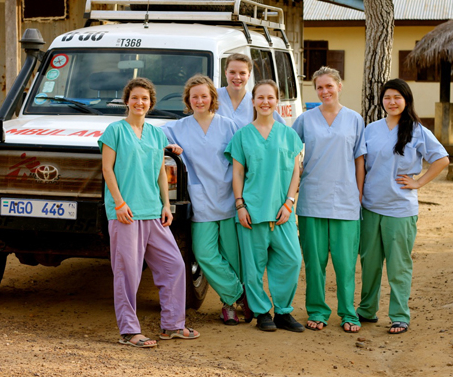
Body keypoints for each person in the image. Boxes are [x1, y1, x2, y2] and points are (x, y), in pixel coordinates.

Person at [99, 77, 200, 348]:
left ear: (150, 102)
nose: (139, 102)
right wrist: (119, 203)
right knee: (127, 273)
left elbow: (160, 172)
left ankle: (172, 325)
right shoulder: (114, 131)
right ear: (127, 100)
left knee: (174, 266)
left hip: (153, 212)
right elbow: (107, 169)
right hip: (126, 213)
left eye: (144, 98)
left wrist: (166, 205)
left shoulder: (157, 135)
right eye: (135, 97)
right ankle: (129, 331)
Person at [357, 78, 449, 334]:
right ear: (382, 101)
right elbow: (362, 164)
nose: (392, 102)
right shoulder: (371, 129)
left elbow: (442, 160)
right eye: (387, 97)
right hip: (371, 206)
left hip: (400, 209)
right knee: (370, 262)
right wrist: (359, 196)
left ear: (406, 100)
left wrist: (419, 182)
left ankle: (399, 315)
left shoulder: (418, 130)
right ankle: (366, 310)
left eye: (397, 97)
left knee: (399, 265)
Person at [161, 75, 250, 325]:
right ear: (188, 100)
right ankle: (240, 294)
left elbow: (243, 158)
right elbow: (150, 136)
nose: (199, 100)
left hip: (229, 198)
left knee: (233, 256)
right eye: (194, 96)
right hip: (201, 201)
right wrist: (169, 146)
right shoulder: (177, 128)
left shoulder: (229, 125)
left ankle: (228, 305)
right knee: (204, 254)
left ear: (212, 97)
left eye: (204, 95)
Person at [225, 79, 304, 332]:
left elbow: (295, 171)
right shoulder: (242, 135)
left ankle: (282, 311)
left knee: (292, 260)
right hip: (253, 210)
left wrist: (290, 201)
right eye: (260, 97)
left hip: (282, 212)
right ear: (253, 101)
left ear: (277, 101)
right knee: (253, 267)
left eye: (270, 97)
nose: (265, 102)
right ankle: (262, 313)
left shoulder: (289, 134)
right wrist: (240, 205)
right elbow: (237, 173)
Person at [291, 66, 366, 333]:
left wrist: (359, 193)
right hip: (312, 199)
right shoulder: (305, 120)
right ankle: (318, 310)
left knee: (346, 264)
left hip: (346, 200)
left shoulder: (355, 119)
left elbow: (359, 158)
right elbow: (291, 154)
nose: (324, 91)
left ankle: (348, 312)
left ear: (339, 86)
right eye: (319, 87)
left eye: (329, 86)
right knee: (315, 262)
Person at [217, 53, 285, 128]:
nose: (237, 77)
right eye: (232, 72)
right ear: (226, 73)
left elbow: (282, 129)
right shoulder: (213, 97)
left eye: (242, 73)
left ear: (248, 75)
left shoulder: (257, 102)